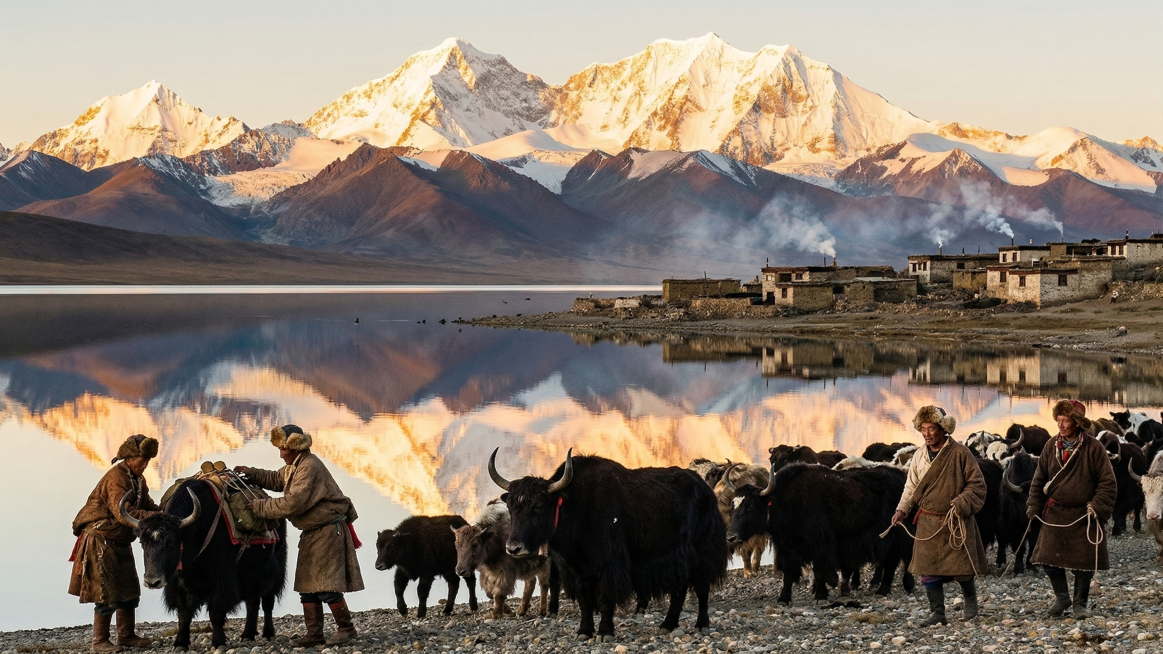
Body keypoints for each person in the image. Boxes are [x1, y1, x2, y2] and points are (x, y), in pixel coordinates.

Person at [235, 425, 364, 646]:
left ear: (295, 447)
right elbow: (277, 479)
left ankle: (346, 628)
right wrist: (252, 473)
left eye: (284, 449)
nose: (281, 454)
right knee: (307, 587)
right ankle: (314, 634)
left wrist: (260, 507)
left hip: (327, 532)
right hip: (314, 532)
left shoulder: (309, 467)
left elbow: (292, 503)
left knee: (325, 585)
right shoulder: (296, 466)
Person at [891, 406, 988, 626]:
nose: (926, 434)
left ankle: (970, 601)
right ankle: (937, 613)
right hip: (928, 521)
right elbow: (911, 487)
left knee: (962, 568)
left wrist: (962, 502)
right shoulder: (919, 455)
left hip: (956, 520)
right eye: (923, 429)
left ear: (943, 429)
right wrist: (901, 510)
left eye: (931, 428)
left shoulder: (961, 453)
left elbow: (977, 485)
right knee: (928, 569)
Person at [69, 434, 161, 652]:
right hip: (100, 540)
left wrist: (165, 514)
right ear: (129, 458)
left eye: (148, 460)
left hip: (120, 540)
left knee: (129, 589)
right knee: (106, 592)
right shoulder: (116, 479)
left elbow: (147, 505)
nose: (145, 465)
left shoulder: (138, 479)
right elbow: (123, 513)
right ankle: (99, 641)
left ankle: (126, 636)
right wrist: (155, 517)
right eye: (142, 460)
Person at [1027, 399, 1117, 619]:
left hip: (1084, 514)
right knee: (1048, 559)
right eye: (1058, 420)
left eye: (1065, 421)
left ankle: (1080, 604)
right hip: (1055, 512)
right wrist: (1033, 505)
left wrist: (1097, 505)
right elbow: (1039, 479)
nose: (1060, 425)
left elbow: (1107, 482)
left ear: (1077, 422)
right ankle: (1062, 598)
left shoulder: (1094, 448)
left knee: (1083, 563)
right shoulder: (1051, 446)